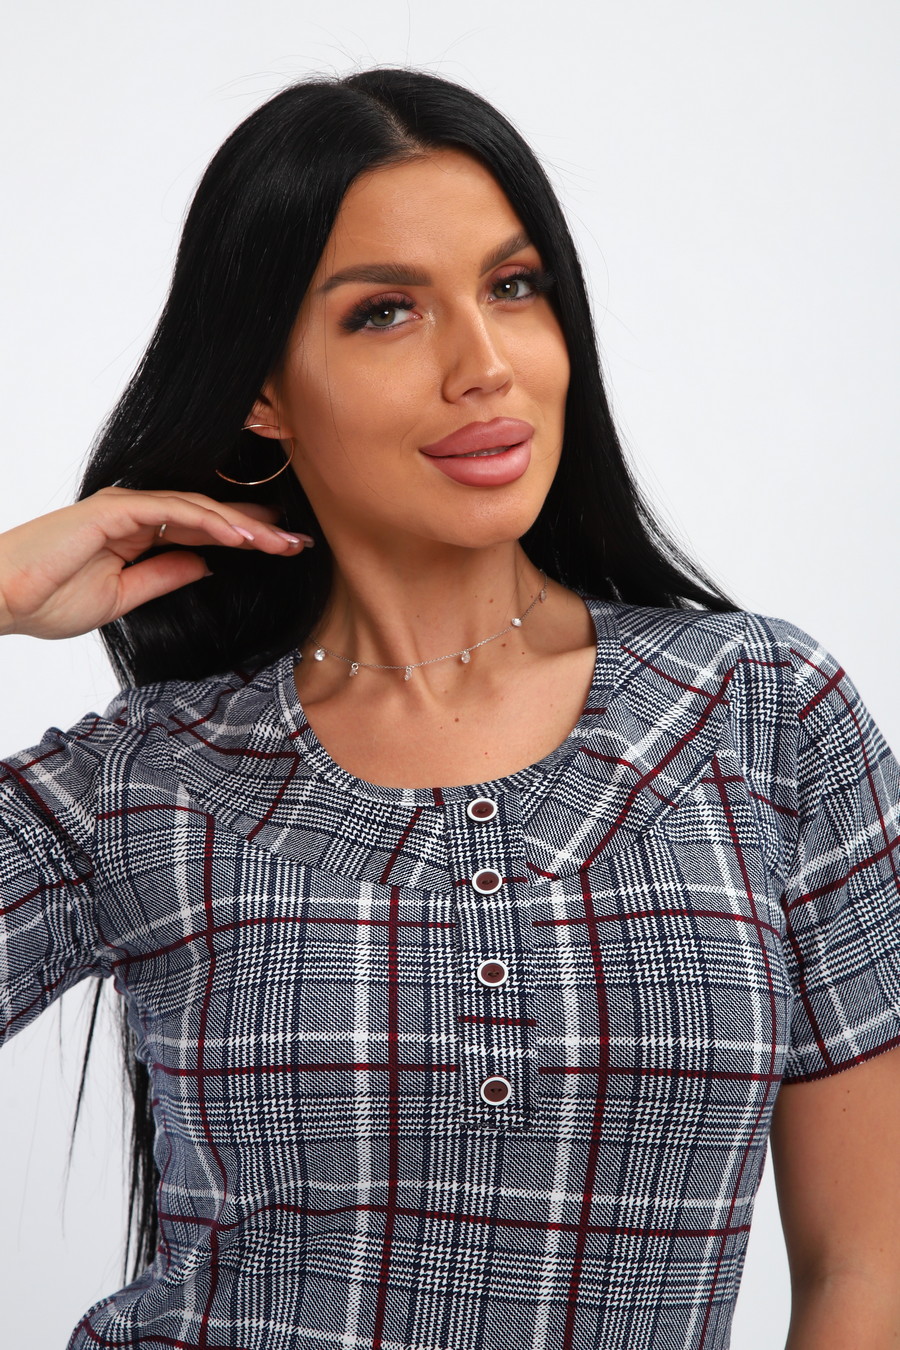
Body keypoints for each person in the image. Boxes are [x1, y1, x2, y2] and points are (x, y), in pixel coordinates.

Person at [1, 67, 898, 1350]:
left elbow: (869, 1266)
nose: (484, 365)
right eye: (386, 312)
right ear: (262, 390)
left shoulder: (764, 714)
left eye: (515, 288)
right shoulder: (145, 778)